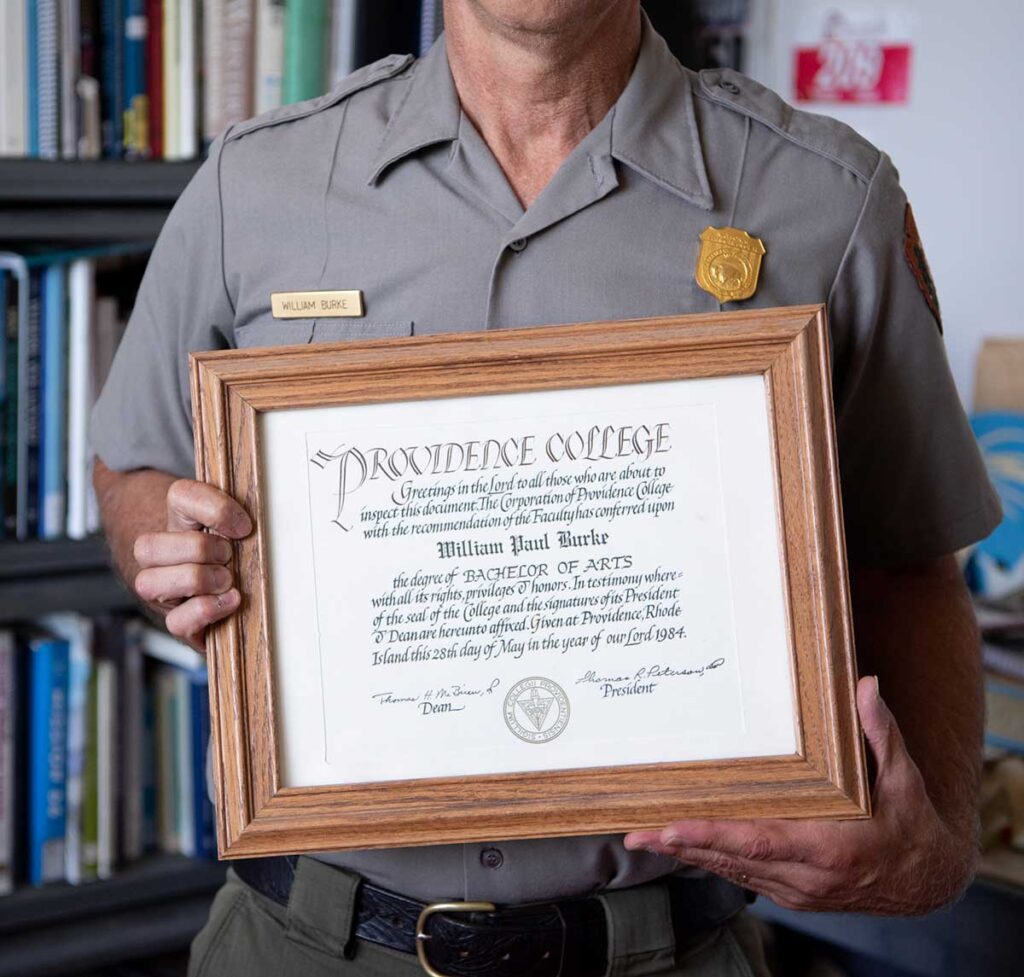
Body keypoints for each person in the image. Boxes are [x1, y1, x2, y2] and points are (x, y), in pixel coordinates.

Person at [91, 2, 1000, 975]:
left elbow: (909, 564)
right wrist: (168, 540)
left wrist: (936, 849)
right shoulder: (254, 183)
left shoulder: (826, 197)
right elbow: (132, 464)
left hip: (669, 948)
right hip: (304, 941)